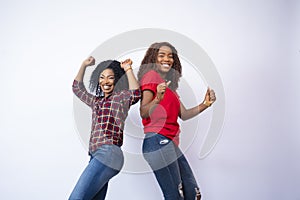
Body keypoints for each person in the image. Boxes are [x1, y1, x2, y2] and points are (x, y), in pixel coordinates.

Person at [137, 42, 216, 200]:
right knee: (174, 195)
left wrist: (205, 104)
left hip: (169, 143)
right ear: (153, 59)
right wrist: (158, 98)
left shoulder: (169, 88)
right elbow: (144, 112)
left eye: (170, 56)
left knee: (192, 194)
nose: (167, 59)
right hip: (157, 139)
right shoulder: (151, 77)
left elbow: (184, 114)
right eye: (162, 55)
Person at [69, 56, 140, 200]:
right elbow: (77, 88)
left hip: (108, 152)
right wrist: (83, 64)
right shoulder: (96, 101)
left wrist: (128, 69)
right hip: (96, 155)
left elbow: (136, 93)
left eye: (110, 78)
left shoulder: (120, 98)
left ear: (117, 80)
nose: (105, 82)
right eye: (102, 78)